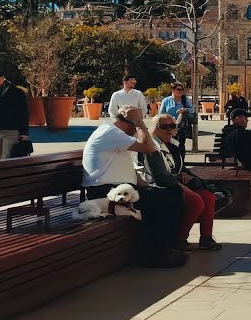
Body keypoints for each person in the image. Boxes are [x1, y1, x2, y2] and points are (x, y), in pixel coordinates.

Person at [84, 106, 182, 267]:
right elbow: (150, 148)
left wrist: (147, 188)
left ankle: (161, 249)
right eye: (136, 123)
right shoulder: (110, 132)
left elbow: (129, 171)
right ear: (130, 123)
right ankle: (157, 254)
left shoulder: (115, 135)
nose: (137, 129)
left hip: (118, 189)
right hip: (105, 193)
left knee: (168, 194)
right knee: (167, 199)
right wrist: (139, 122)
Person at [140, 113, 220, 252]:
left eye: (172, 126)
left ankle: (206, 238)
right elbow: (158, 176)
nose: (169, 130)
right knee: (195, 201)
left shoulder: (174, 146)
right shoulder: (151, 147)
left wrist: (186, 175)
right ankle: (180, 239)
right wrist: (179, 181)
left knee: (208, 197)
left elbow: (180, 168)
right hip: (158, 186)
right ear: (154, 128)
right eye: (163, 127)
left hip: (175, 182)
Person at [159, 84, 194, 148]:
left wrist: (184, 109)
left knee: (181, 145)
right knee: (170, 144)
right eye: (178, 89)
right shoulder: (166, 100)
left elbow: (192, 110)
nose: (181, 91)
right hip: (169, 126)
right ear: (173, 90)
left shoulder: (185, 99)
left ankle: (181, 157)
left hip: (181, 126)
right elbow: (161, 114)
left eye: (182, 90)